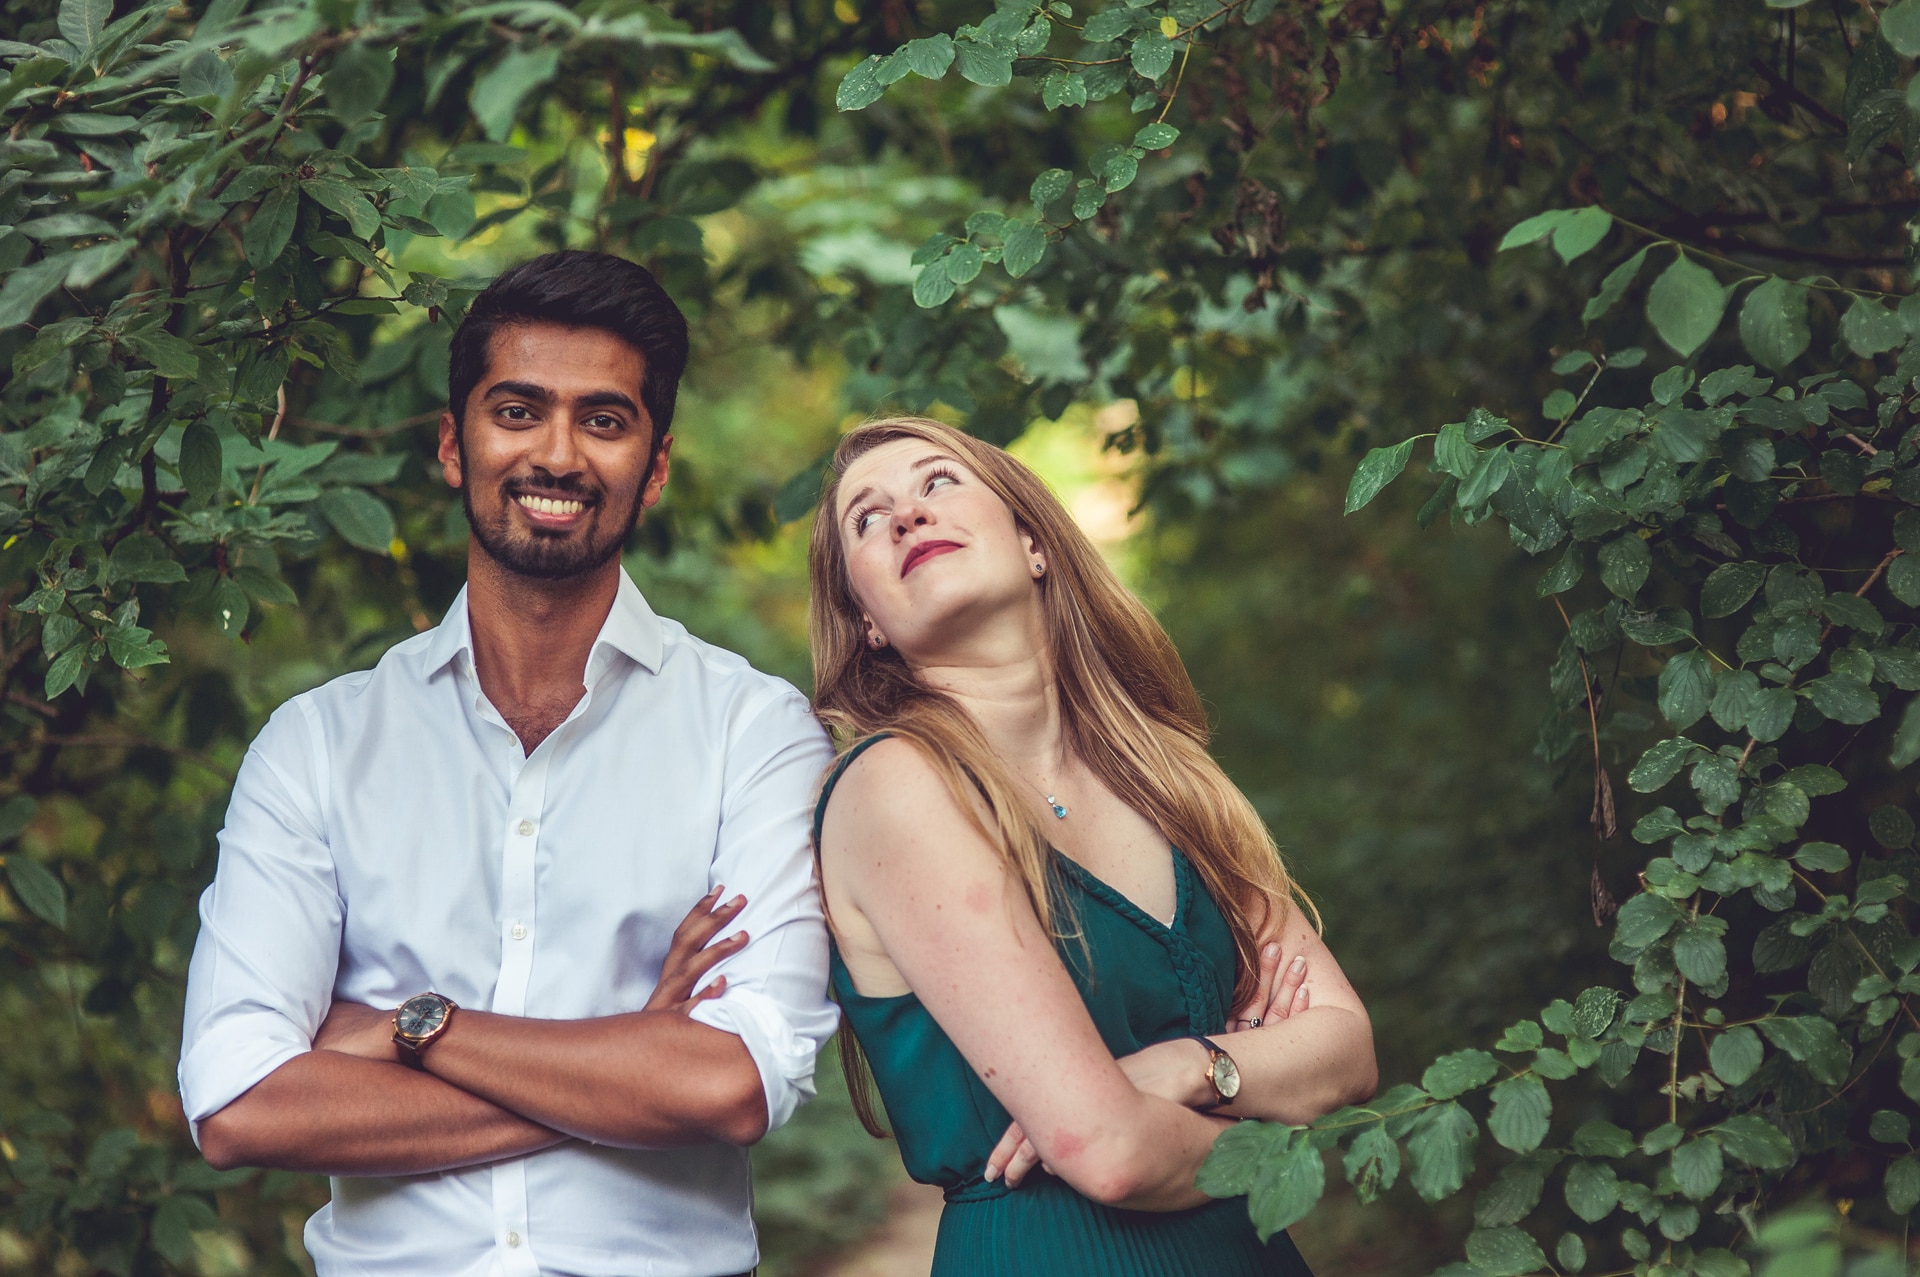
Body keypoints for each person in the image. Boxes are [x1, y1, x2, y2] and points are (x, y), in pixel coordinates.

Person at [176, 251, 838, 1277]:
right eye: (519, 411)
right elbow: (238, 1103)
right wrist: (630, 1057)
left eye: (604, 420)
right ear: (455, 443)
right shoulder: (317, 745)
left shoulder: (753, 730)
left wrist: (409, 1028)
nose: (558, 455)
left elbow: (732, 1084)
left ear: (656, 466)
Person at [806, 416, 1378, 1274]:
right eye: (867, 518)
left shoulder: (1165, 772)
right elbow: (1107, 1149)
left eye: (937, 482)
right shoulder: (895, 787)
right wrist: (1272, 1114)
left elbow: (1349, 1048)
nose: (907, 516)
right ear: (867, 623)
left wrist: (1188, 1066)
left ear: (1033, 542)